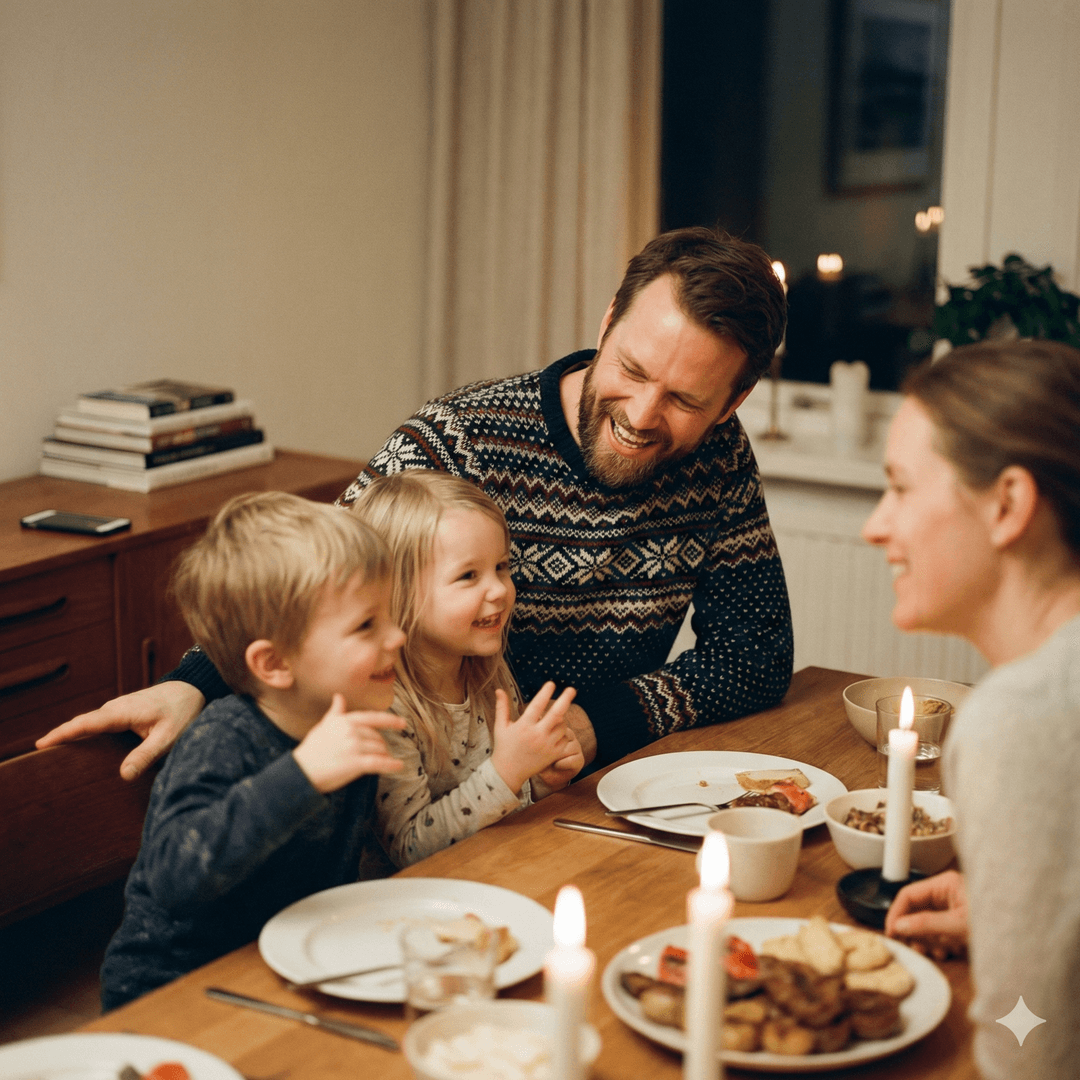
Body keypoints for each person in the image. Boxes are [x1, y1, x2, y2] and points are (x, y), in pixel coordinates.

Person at [38, 226, 794, 776]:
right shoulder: (460, 437)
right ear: (606, 324)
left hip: (590, 784)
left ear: (732, 403)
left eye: (685, 400)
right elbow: (304, 584)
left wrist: (600, 723)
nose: (642, 414)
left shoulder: (720, 459)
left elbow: (756, 656)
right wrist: (192, 684)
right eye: (631, 368)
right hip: (434, 790)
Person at [861, 339, 1080, 1079]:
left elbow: (1032, 1054)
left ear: (1007, 505)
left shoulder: (1023, 720)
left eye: (901, 488)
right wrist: (1008, 909)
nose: (874, 526)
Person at [99, 492, 408, 1010]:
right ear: (274, 664)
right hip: (172, 992)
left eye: (391, 615)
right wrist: (302, 775)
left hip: (283, 968)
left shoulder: (345, 728)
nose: (398, 636)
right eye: (365, 625)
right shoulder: (225, 738)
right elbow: (173, 877)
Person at [351, 470, 582, 867]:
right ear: (397, 593)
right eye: (468, 575)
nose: (499, 589)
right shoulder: (383, 707)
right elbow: (409, 850)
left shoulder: (485, 671)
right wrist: (508, 771)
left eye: (502, 566)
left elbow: (501, 805)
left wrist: (541, 780)